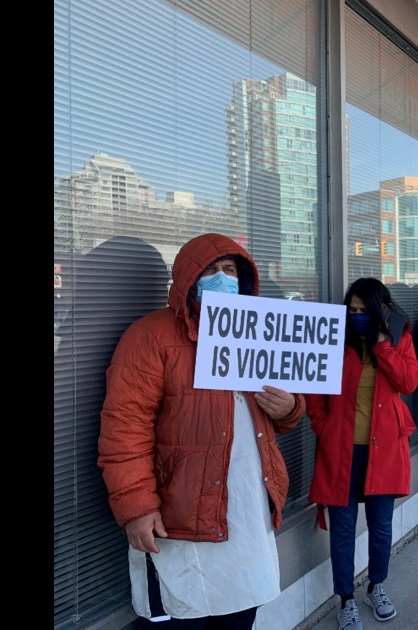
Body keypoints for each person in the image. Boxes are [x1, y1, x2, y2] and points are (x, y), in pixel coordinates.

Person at [97, 233, 306, 630]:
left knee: (240, 613)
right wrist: (137, 507)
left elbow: (287, 408)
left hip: (247, 509)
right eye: (210, 271)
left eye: (230, 270)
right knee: (181, 615)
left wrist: (291, 407)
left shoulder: (259, 331)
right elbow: (124, 429)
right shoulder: (152, 335)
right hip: (180, 515)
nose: (222, 278)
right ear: (189, 279)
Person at [306, 277, 418, 630]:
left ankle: (376, 585)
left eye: (363, 311)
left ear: (379, 310)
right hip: (341, 451)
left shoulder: (399, 337)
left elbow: (409, 382)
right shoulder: (333, 338)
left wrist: (384, 346)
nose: (356, 316)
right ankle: (345, 599)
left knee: (381, 527)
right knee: (342, 532)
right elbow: (314, 391)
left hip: (384, 449)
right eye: (351, 310)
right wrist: (323, 426)